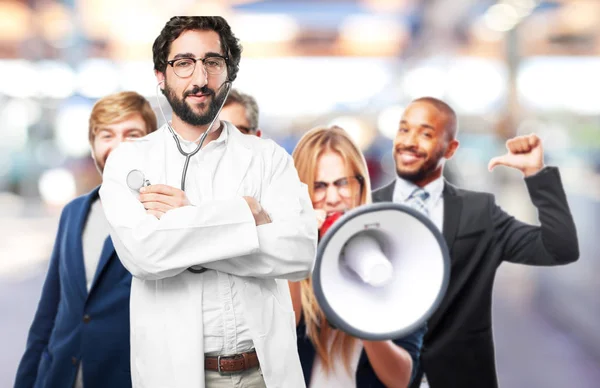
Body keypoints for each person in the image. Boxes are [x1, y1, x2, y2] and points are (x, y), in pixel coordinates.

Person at [98, 16, 317, 388]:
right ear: (160, 76)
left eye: (212, 63)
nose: (199, 79)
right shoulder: (129, 161)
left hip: (263, 373)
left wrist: (186, 222)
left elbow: (298, 253)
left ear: (228, 74)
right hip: (178, 374)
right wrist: (246, 215)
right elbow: (146, 255)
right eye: (183, 63)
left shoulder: (268, 157)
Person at [372, 96, 579, 388]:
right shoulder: (365, 211)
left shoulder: (479, 213)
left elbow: (560, 248)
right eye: (404, 130)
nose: (409, 141)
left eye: (426, 133)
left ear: (451, 148)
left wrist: (536, 174)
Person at [15, 91, 158, 388]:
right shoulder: (74, 212)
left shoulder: (162, 215)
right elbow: (49, 311)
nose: (118, 146)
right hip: (58, 377)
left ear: (152, 144)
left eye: (132, 134)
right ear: (93, 147)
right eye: (107, 135)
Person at [289, 125, 426, 388]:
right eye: (318, 186)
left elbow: (401, 378)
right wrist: (295, 242)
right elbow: (280, 335)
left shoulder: (398, 256)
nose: (332, 198)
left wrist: (362, 314)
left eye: (342, 183)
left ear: (361, 185)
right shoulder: (284, 260)